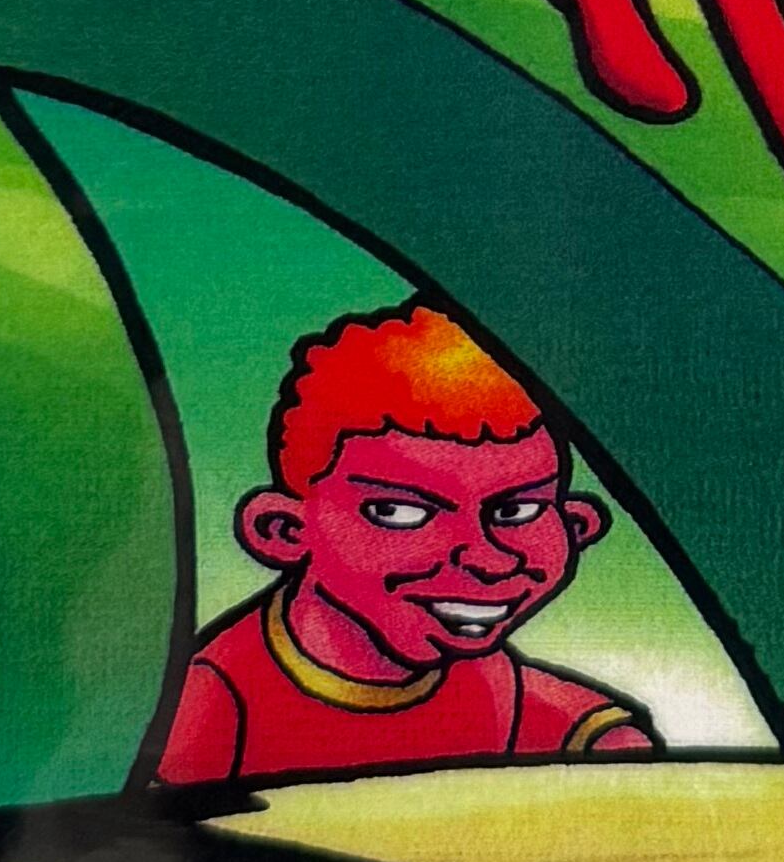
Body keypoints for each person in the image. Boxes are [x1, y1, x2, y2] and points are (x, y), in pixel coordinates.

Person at [158, 303, 655, 783]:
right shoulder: (217, 697)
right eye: (398, 512)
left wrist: (608, 741)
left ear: (576, 525)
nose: (486, 559)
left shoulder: (484, 671)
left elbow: (574, 723)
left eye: (515, 512)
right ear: (284, 531)